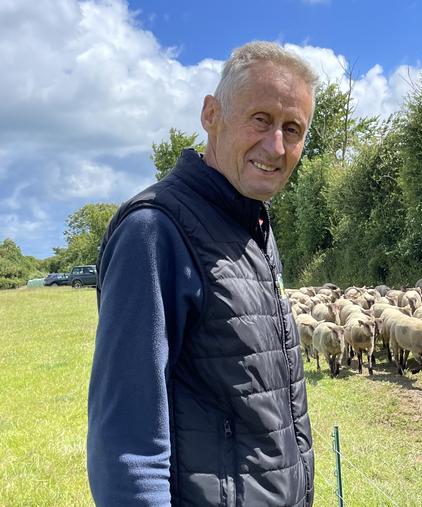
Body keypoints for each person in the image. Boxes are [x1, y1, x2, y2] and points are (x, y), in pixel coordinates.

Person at [87, 41, 317, 506]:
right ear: (211, 114)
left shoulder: (253, 230)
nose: (275, 146)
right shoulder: (155, 231)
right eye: (260, 119)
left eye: (292, 129)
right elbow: (127, 443)